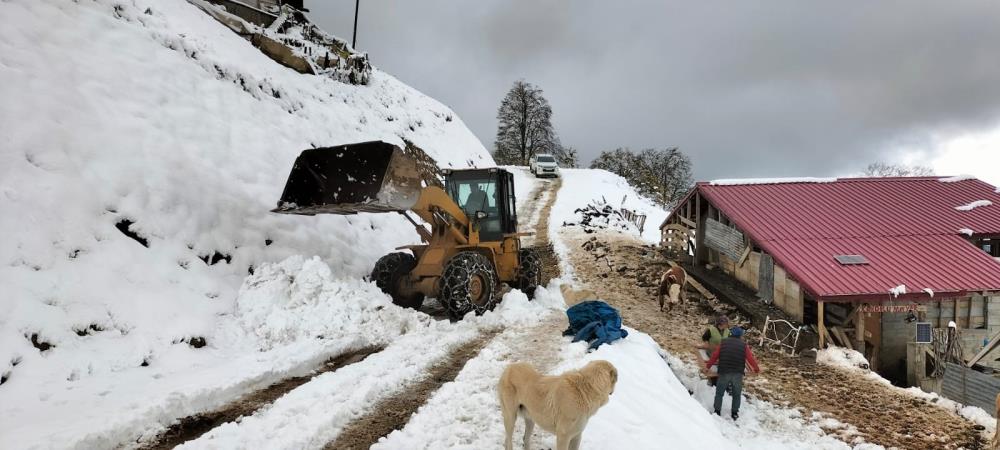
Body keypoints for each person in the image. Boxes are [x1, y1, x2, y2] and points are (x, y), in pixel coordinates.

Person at [704, 326, 760, 421]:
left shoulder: (724, 343)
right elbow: (750, 358)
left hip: (724, 372)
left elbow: (714, 356)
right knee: (736, 394)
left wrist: (707, 367)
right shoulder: (744, 345)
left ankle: (717, 411)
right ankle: (734, 413)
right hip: (737, 374)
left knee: (719, 393)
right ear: (740, 336)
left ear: (731, 334)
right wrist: (756, 369)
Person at [698, 315, 730, 386]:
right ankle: (713, 379)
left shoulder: (727, 331)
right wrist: (706, 343)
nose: (727, 325)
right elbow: (705, 338)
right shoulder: (711, 329)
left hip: (722, 350)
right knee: (715, 362)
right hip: (712, 349)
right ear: (721, 324)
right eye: (726, 324)